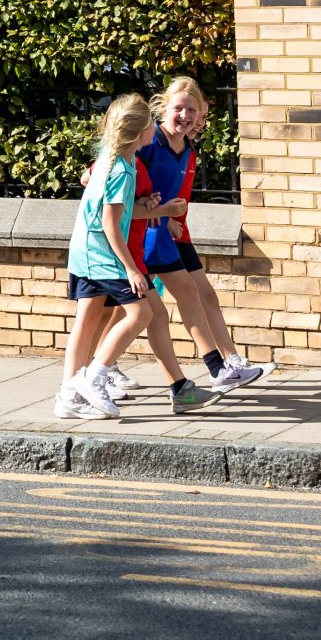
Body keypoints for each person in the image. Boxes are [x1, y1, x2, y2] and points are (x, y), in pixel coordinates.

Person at [55, 94, 220, 419]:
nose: (153, 131)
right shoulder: (122, 170)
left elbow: (120, 210)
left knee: (92, 321)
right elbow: (110, 223)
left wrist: (151, 208)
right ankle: (93, 377)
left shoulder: (117, 160)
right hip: (106, 255)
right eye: (150, 127)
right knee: (142, 313)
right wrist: (130, 267)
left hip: (90, 252)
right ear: (142, 132)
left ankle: (69, 394)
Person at [139, 77, 270, 391]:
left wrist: (171, 220)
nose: (188, 117)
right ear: (163, 108)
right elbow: (122, 185)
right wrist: (160, 216)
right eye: (179, 108)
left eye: (194, 111)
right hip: (145, 235)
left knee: (194, 296)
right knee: (133, 311)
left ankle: (226, 364)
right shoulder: (148, 142)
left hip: (173, 235)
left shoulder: (188, 149)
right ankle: (98, 370)